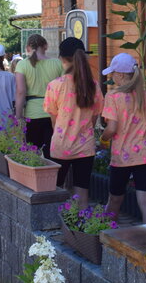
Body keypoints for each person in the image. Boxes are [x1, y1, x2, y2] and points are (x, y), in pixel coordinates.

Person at [101, 52, 146, 226]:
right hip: (144, 155)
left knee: (115, 199)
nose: (112, 77)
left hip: (121, 156)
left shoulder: (113, 97)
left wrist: (103, 139)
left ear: (120, 75)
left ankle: (107, 233)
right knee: (145, 202)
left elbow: (111, 128)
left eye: (113, 73)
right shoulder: (145, 96)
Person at [43, 37, 103, 202]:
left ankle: (57, 218)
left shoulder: (55, 85)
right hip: (85, 145)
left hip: (61, 145)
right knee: (82, 190)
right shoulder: (93, 86)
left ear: (62, 58)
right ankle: (81, 218)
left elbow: (54, 120)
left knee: (55, 189)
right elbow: (94, 117)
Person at [14, 34, 64, 153]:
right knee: (51, 152)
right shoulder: (58, 63)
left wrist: (18, 116)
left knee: (33, 153)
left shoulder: (22, 65)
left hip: (32, 114)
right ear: (45, 46)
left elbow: (20, 92)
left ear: (28, 48)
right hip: (54, 113)